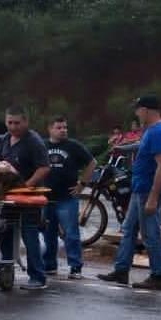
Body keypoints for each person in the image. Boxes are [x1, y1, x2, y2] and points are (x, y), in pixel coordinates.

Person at [99, 94, 161, 290]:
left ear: (146, 110)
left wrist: (153, 198)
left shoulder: (158, 132)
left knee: (151, 234)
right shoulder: (152, 130)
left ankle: (158, 275)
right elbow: (143, 146)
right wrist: (124, 148)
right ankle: (121, 270)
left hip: (147, 191)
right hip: (139, 188)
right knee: (129, 230)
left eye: (138, 109)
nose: (136, 113)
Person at [0, 107, 52, 290]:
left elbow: (44, 167)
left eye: (17, 123)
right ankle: (5, 271)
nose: (12, 126)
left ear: (26, 122)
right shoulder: (5, 138)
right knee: (4, 233)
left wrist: (27, 185)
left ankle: (37, 276)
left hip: (28, 198)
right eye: (9, 122)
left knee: (29, 234)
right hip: (8, 197)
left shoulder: (33, 142)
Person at [42, 116, 96, 279]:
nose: (63, 130)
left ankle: (75, 267)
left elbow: (92, 163)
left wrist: (82, 183)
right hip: (46, 198)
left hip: (67, 197)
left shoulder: (73, 146)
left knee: (71, 233)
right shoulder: (42, 145)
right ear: (50, 129)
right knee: (48, 234)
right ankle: (49, 265)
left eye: (65, 127)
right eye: (59, 127)